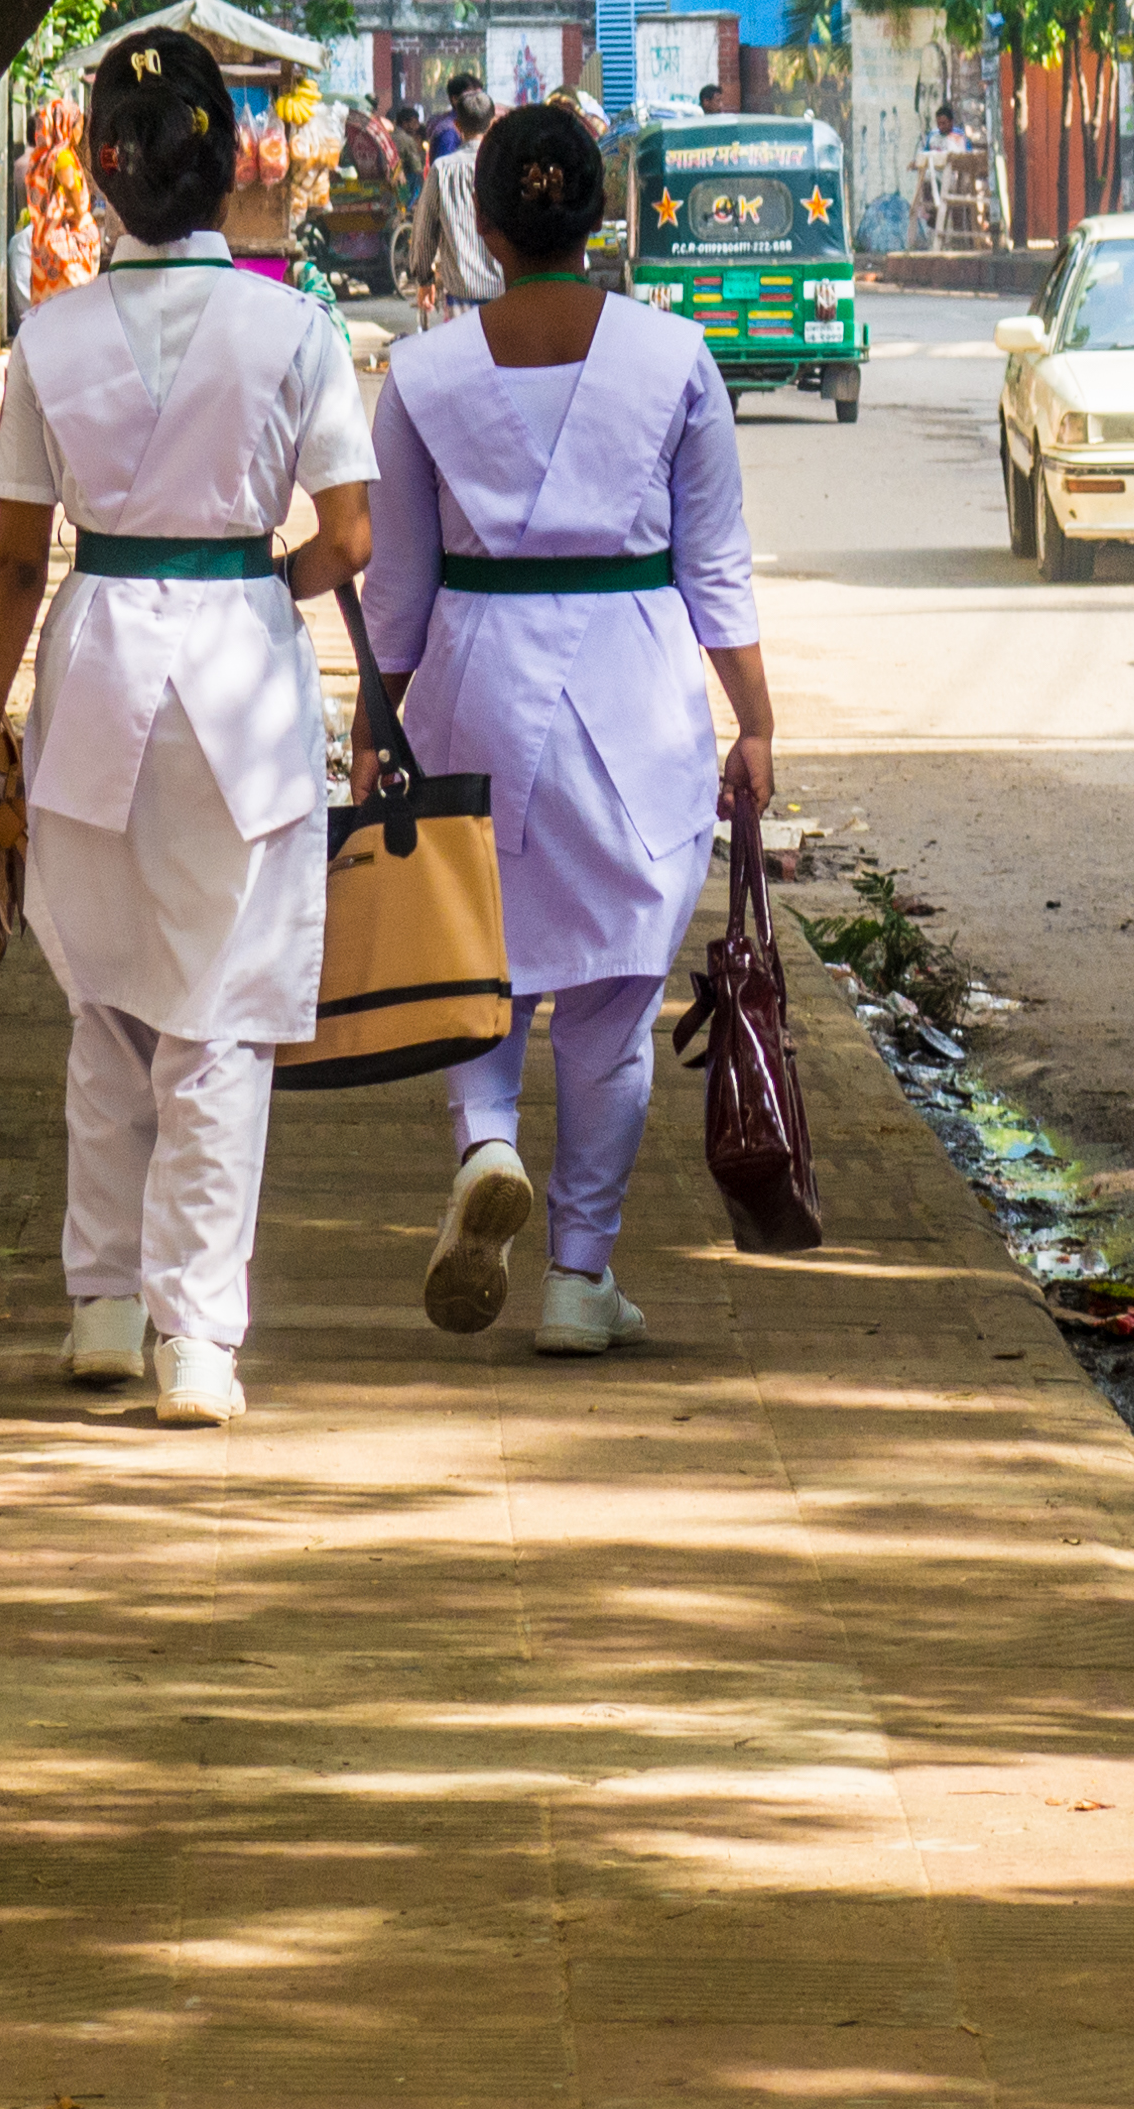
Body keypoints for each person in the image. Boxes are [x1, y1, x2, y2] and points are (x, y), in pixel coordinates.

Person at [0, 28, 378, 1429]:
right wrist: (271, 580)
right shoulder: (297, 329)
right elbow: (352, 535)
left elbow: (14, 564)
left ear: (102, 175)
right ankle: (198, 1337)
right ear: (235, 166)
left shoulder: (49, 338)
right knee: (223, 1020)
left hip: (93, 671)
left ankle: (102, 1303)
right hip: (239, 682)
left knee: (108, 1004)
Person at [368, 108, 770, 1356]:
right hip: (635, 689)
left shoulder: (422, 373)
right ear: (600, 219)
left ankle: (488, 1141)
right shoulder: (676, 358)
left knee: (479, 959)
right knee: (609, 1001)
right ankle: (577, 1280)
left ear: (481, 227)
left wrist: (375, 726)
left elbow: (396, 594)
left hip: (470, 682)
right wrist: (756, 723)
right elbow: (717, 570)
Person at [421, 81, 503, 320]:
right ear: (492, 124)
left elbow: (426, 228)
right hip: (504, 291)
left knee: (463, 356)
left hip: (459, 293)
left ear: (457, 126)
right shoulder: (506, 166)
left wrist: (425, 280)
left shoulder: (441, 169)